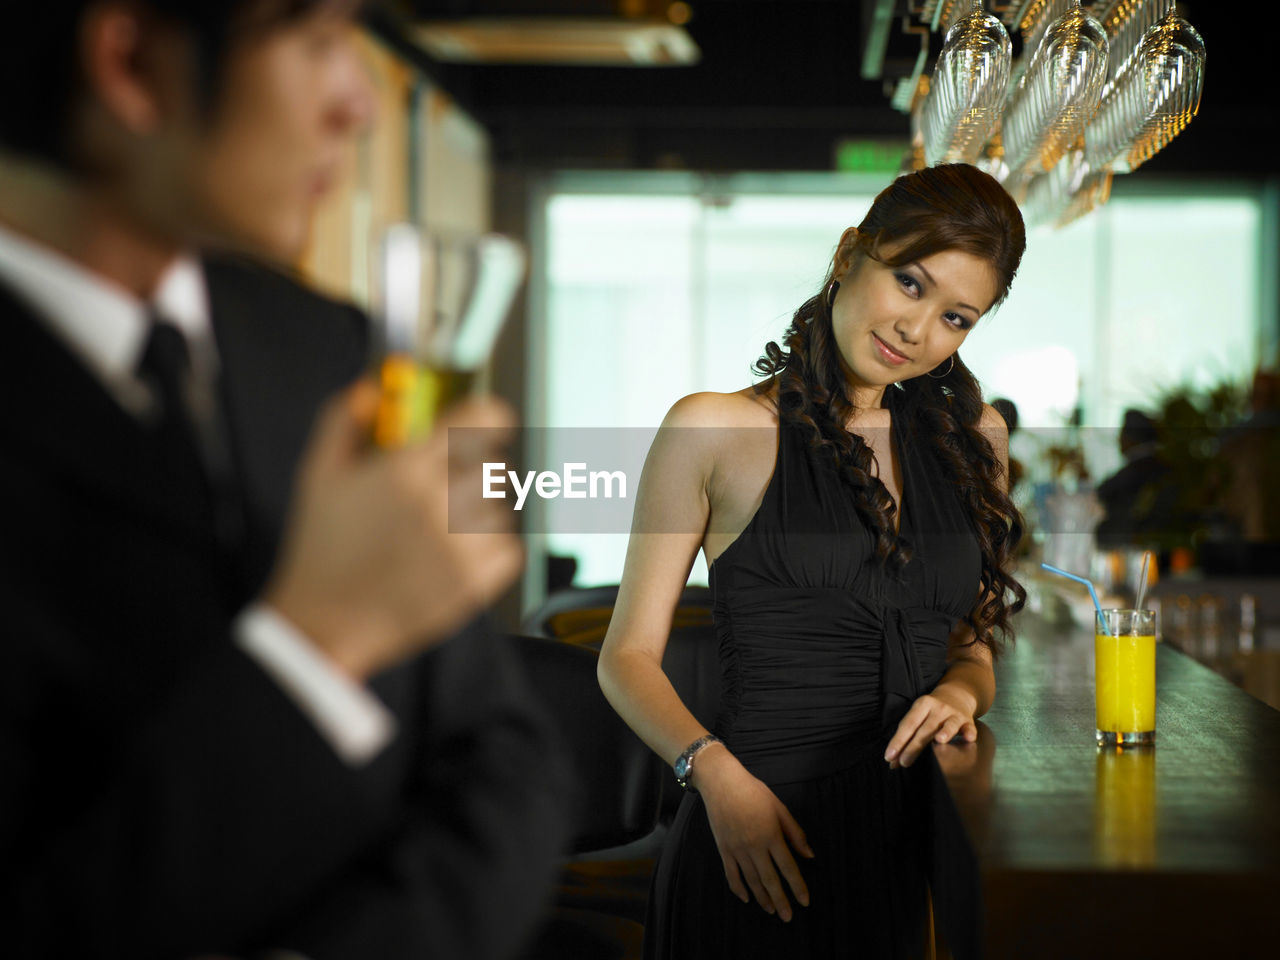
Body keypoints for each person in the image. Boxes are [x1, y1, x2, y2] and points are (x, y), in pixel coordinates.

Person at [0, 2, 567, 957]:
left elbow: (507, 757)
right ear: (132, 64)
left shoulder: (325, 344)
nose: (360, 104)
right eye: (317, 43)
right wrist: (317, 643)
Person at [597, 163, 1026, 958]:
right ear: (847, 254)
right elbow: (624, 659)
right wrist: (716, 781)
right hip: (753, 835)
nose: (917, 328)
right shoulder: (715, 429)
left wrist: (965, 691)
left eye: (956, 316)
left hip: (907, 844)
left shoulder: (978, 441)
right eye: (909, 282)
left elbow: (969, 637)